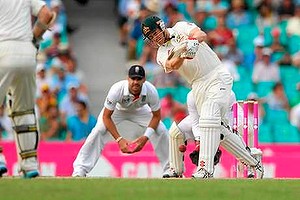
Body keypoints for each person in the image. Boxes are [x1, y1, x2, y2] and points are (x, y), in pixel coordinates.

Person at [141, 15, 263, 178]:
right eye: (151, 37)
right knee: (215, 128)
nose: (155, 38)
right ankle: (253, 163)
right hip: (197, 85)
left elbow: (201, 35)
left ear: (162, 26)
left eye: (155, 33)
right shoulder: (161, 53)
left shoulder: (179, 28)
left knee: (208, 117)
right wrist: (182, 54)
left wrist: (191, 42)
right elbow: (171, 65)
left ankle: (205, 169)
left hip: (215, 75)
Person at [72, 65, 170, 177]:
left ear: (144, 80)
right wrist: (119, 139)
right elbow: (106, 117)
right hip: (117, 110)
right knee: (99, 130)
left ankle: (169, 169)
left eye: (139, 79)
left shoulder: (151, 90)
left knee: (161, 130)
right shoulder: (116, 89)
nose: (135, 82)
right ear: (127, 79)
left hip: (140, 110)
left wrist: (145, 137)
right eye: (133, 78)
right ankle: (80, 169)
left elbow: (156, 116)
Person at [0, 0, 55, 178]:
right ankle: (30, 165)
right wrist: (34, 39)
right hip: (26, 52)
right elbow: (47, 14)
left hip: (2, 48)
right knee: (24, 109)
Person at [167, 91, 263, 178]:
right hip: (202, 118)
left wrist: (211, 142)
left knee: (248, 130)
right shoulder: (192, 95)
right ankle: (176, 169)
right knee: (175, 132)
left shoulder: (226, 92)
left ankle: (251, 164)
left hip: (228, 114)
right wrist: (198, 141)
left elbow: (220, 122)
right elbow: (195, 121)